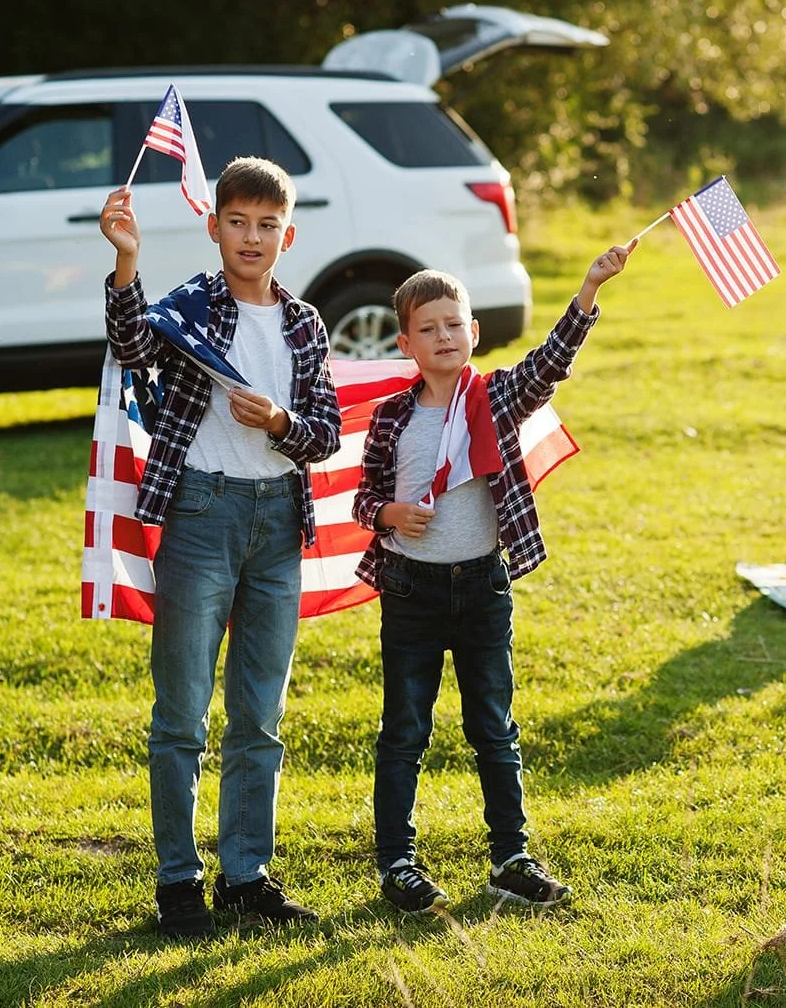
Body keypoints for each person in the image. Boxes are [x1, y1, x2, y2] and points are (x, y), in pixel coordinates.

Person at [99, 156, 341, 939]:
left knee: (259, 714)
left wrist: (278, 423)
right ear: (214, 227)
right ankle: (179, 882)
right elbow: (135, 346)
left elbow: (325, 434)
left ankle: (247, 873)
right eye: (237, 221)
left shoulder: (304, 323)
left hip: (278, 525)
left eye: (267, 225)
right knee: (181, 713)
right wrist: (126, 260)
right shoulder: (194, 306)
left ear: (288, 234)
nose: (252, 236)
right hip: (201, 514)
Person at [352, 243, 635, 913]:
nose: (444, 336)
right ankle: (398, 863)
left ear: (474, 331)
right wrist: (390, 511)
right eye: (429, 328)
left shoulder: (496, 395)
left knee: (493, 727)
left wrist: (588, 289)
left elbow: (549, 366)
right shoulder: (393, 417)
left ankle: (510, 857)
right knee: (404, 732)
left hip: (482, 587)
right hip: (411, 592)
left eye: (455, 323)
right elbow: (364, 500)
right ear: (406, 343)